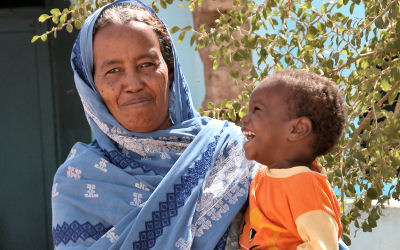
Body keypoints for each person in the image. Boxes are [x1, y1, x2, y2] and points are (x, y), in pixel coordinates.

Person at [51, 0, 255, 249]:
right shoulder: (79, 181)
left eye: (146, 65)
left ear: (169, 68)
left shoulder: (235, 150)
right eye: (113, 70)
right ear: (92, 86)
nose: (133, 83)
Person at [239, 69, 347, 249]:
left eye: (256, 109)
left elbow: (324, 246)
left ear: (297, 129)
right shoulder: (263, 175)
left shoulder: (305, 186)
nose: (244, 118)